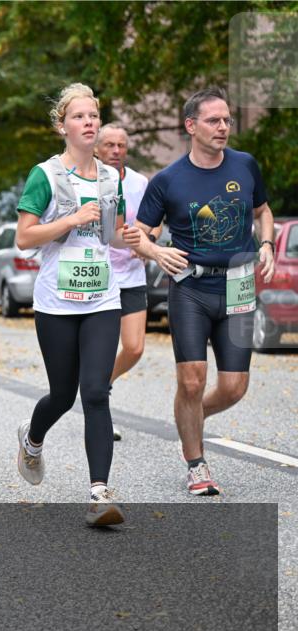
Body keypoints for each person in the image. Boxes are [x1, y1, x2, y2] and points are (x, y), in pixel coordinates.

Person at [127, 87, 275, 496]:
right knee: (191, 381)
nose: (223, 127)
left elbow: (263, 213)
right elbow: (139, 235)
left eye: (227, 120)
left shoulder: (245, 166)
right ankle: (196, 463)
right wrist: (156, 251)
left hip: (239, 284)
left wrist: (267, 244)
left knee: (234, 388)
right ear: (191, 126)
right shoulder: (168, 180)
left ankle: (188, 421)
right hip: (190, 287)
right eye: (214, 120)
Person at [14, 83, 134, 527]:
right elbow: (24, 239)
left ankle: (99, 494)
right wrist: (69, 219)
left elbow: (112, 233)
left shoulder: (110, 177)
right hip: (56, 302)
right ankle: (32, 439)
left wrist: (139, 240)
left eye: (94, 116)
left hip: (103, 297)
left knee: (96, 392)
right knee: (63, 395)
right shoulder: (45, 175)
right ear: (62, 126)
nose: (89, 123)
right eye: (80, 117)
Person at [96, 123, 152, 441]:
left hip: (131, 273)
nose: (116, 151)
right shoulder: (88, 180)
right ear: (96, 148)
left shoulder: (139, 182)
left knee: (134, 347)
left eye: (121, 145)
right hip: (100, 276)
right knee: (104, 348)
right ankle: (101, 410)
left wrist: (149, 241)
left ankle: (102, 385)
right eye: (110, 145)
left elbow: (149, 221)